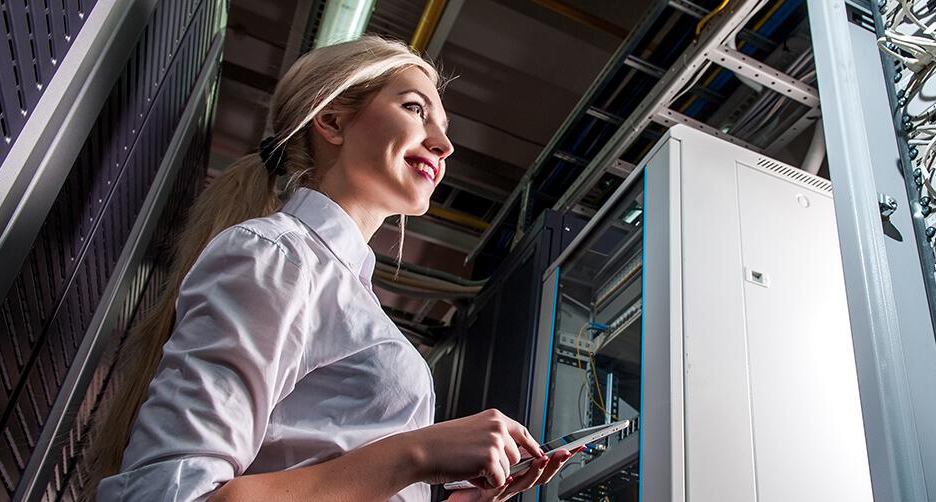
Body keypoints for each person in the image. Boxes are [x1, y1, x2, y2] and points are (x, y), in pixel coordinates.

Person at [88, 35, 573, 501]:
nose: (443, 144)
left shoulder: (346, 291)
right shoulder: (277, 256)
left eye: (442, 126)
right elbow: (171, 492)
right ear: (333, 122)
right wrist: (417, 454)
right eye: (415, 109)